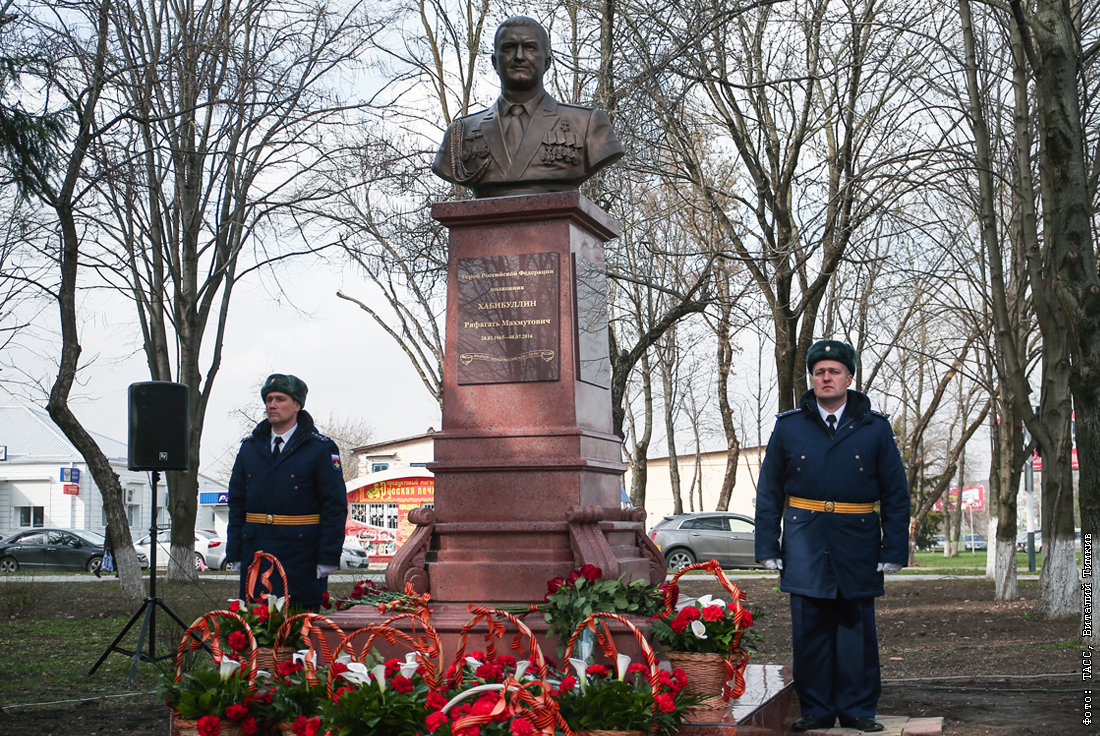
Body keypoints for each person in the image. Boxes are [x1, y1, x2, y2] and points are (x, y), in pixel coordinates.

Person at [754, 340, 910, 733]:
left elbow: (895, 493)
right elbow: (770, 489)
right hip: (805, 541)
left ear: (849, 377)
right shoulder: (789, 426)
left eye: (834, 371)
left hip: (857, 540)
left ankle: (858, 709)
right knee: (810, 629)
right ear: (812, 378)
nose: (826, 377)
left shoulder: (875, 427)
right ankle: (817, 709)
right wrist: (767, 545)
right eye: (819, 371)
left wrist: (893, 548)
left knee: (855, 629)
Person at [432, 15, 624, 198]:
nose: (519, 56)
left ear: (547, 62)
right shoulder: (460, 133)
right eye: (509, 48)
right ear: (494, 62)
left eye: (530, 47)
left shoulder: (587, 124)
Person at [225, 374, 348, 611]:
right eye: (269, 399)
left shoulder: (320, 448)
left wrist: (328, 556)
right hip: (256, 551)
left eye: (280, 399)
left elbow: (334, 506)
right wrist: (235, 552)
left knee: (298, 630)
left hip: (301, 555)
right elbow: (237, 502)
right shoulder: (249, 448)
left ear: (297, 405)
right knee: (257, 626)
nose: (272, 405)